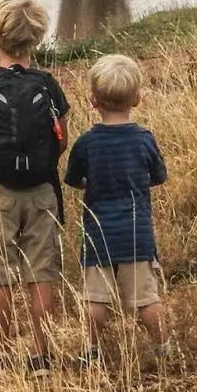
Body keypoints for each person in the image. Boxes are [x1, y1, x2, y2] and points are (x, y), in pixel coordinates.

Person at [0, 0, 70, 375]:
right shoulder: (49, 85)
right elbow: (63, 139)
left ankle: (2, 351)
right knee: (41, 270)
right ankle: (41, 352)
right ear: (37, 39)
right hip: (42, 190)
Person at [64, 54, 169, 365]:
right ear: (136, 99)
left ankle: (92, 347)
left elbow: (74, 179)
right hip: (136, 233)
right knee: (146, 298)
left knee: (96, 298)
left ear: (92, 100)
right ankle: (162, 346)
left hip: (98, 231)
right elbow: (158, 176)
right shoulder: (143, 139)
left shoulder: (86, 143)